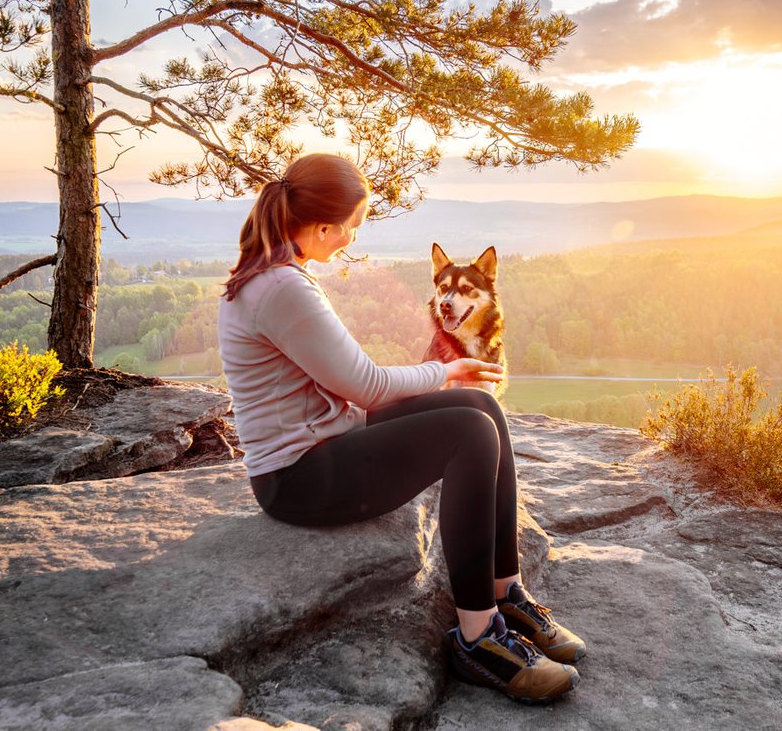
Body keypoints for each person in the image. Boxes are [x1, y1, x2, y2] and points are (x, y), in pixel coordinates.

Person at [217, 153, 587, 704]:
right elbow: (364, 384)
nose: (350, 240)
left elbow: (349, 384)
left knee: (480, 408)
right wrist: (443, 368)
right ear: (323, 226)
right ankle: (478, 637)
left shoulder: (276, 276)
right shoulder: (282, 289)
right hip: (298, 478)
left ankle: (504, 589)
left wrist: (450, 378)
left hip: (329, 443)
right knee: (469, 433)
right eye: (353, 227)